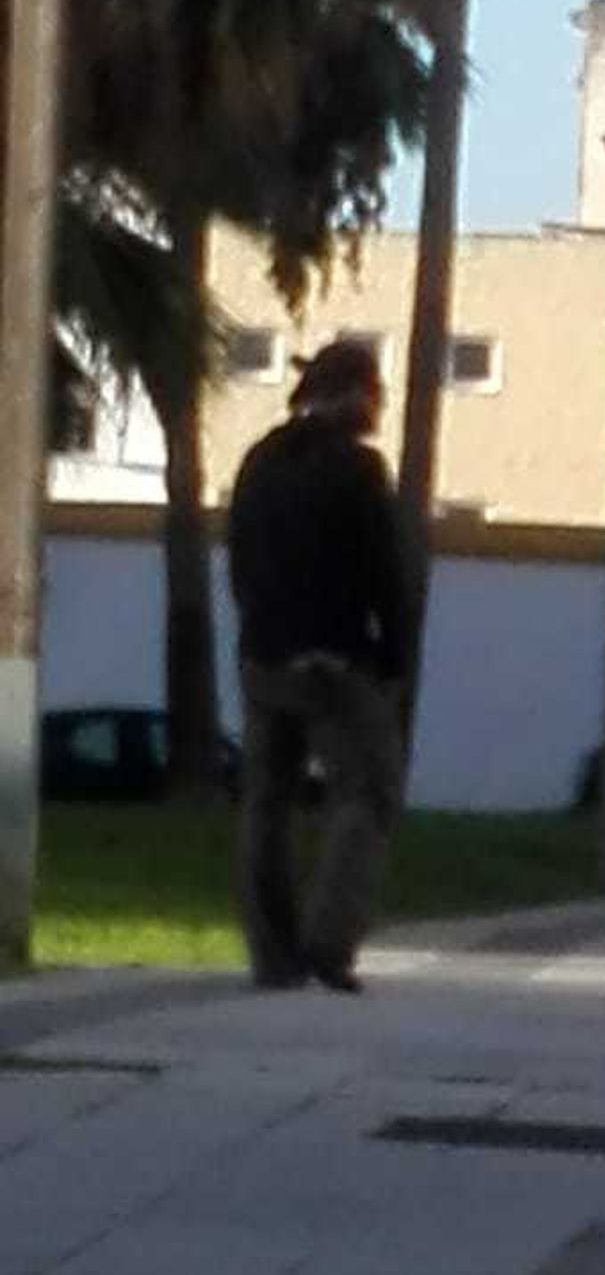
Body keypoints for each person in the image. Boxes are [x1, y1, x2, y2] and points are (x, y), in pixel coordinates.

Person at [226, 339, 410, 992]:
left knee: (266, 802)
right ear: (355, 393)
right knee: (370, 790)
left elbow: (239, 558)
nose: (380, 405)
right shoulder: (359, 468)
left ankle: (271, 956)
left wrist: (259, 632)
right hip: (337, 657)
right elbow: (383, 570)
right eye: (375, 391)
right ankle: (328, 942)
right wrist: (392, 654)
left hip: (265, 655)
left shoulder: (259, 462)